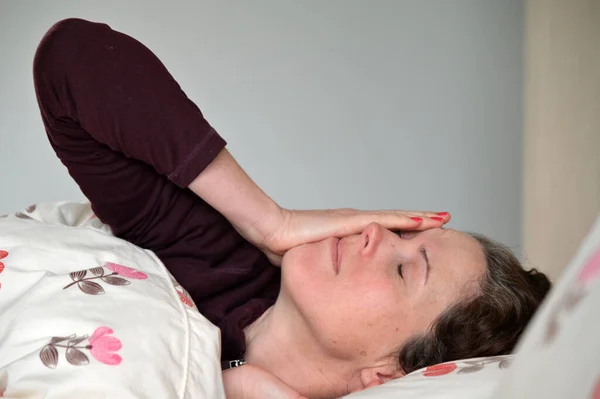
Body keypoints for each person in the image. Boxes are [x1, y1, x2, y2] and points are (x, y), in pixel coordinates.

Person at [33, 18, 551, 399]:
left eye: (402, 268)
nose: (373, 231)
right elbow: (72, 57)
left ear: (389, 374)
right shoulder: (216, 261)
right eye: (400, 233)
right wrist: (269, 221)